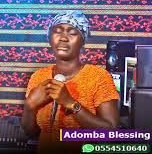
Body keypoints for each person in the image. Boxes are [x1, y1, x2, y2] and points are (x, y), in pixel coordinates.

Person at [21, 10, 120, 152]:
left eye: (72, 32)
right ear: (50, 38)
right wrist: (30, 106)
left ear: (83, 40)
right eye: (57, 31)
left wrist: (71, 104)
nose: (63, 38)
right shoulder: (39, 76)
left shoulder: (98, 77)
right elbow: (30, 132)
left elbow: (111, 131)